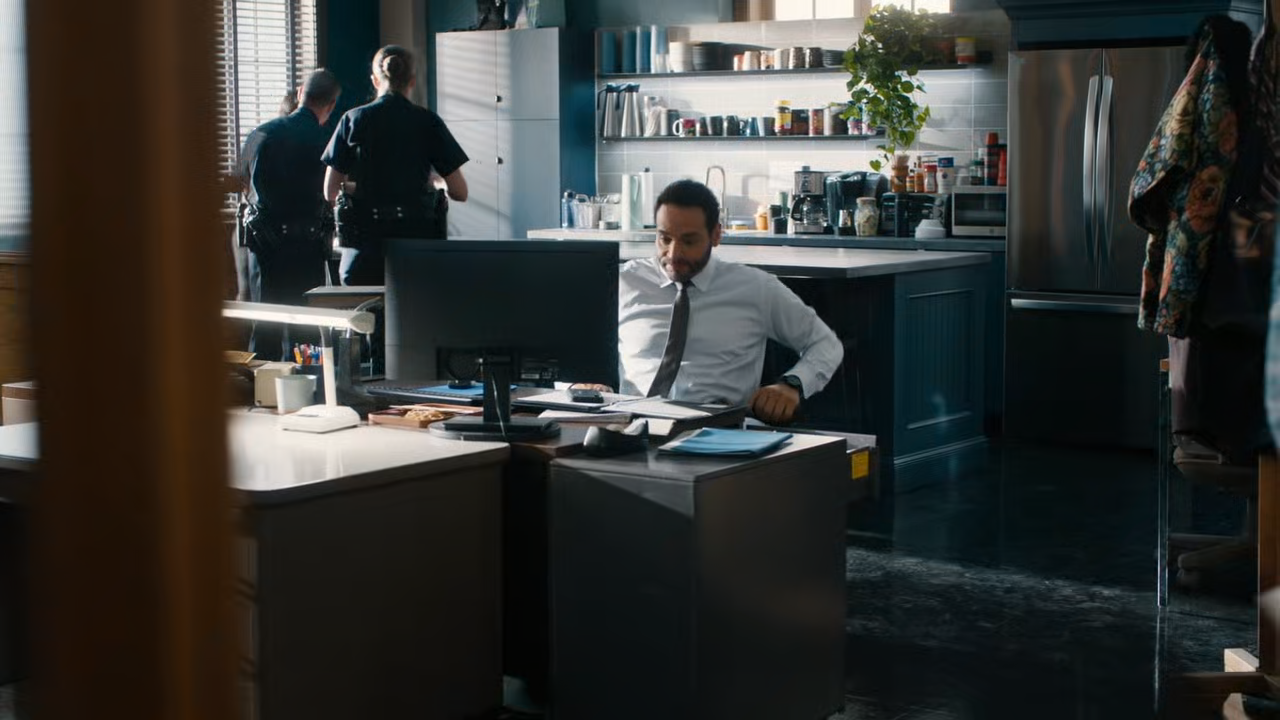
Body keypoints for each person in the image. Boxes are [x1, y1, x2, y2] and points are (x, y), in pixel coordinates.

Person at [617, 179, 844, 426]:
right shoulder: (625, 282)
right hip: (630, 427)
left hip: (718, 430)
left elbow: (826, 344)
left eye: (689, 241)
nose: (674, 254)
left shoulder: (756, 288)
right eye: (665, 239)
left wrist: (793, 385)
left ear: (716, 235)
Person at [321, 44, 469, 286]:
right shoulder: (428, 121)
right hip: (417, 253)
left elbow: (330, 191)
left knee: (362, 308)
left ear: (375, 80)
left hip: (364, 251)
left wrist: (358, 187)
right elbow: (460, 192)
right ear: (412, 81)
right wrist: (435, 182)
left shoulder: (353, 120)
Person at [235, 69, 342, 361]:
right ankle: (307, 383)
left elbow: (239, 182)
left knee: (265, 326)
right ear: (331, 105)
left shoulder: (261, 134)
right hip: (308, 246)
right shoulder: (329, 140)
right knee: (305, 332)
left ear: (300, 93)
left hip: (265, 246)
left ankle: (260, 384)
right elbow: (335, 190)